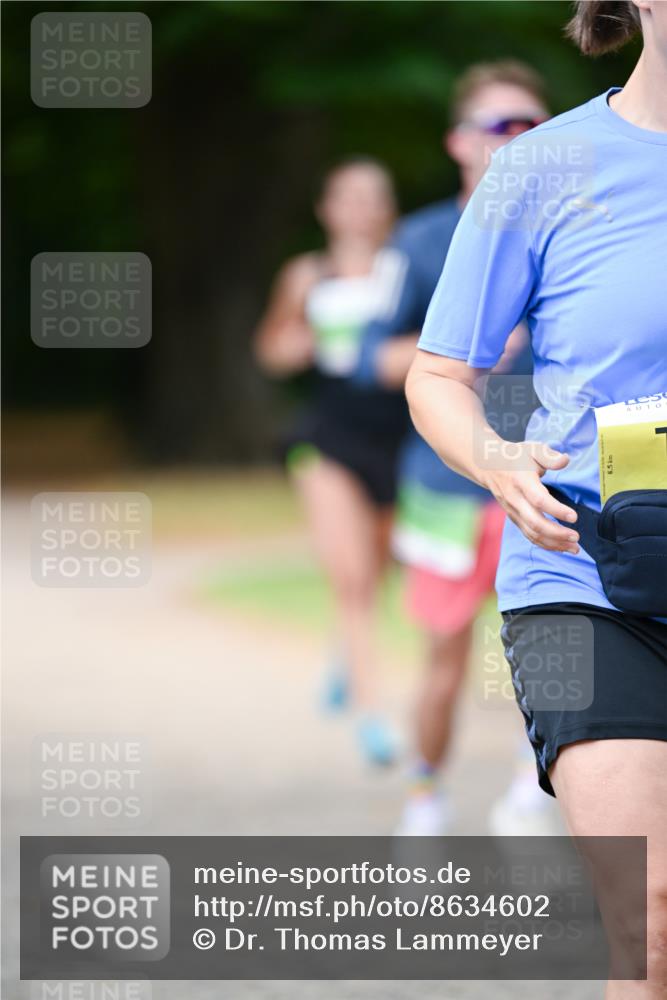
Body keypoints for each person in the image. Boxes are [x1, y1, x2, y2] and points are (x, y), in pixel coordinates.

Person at [406, 2, 666, 996]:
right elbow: (438, 375)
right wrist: (496, 459)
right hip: (584, 573)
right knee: (648, 919)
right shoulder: (543, 168)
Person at [356, 61, 555, 835]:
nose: (517, 140)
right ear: (459, 142)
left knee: (548, 654)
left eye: (531, 127)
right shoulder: (420, 238)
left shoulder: (573, 230)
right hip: (444, 486)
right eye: (500, 126)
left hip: (542, 482)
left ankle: (527, 792)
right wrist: (460, 349)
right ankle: (424, 801)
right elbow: (368, 357)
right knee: (443, 658)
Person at [254, 157, 410, 766]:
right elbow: (270, 348)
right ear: (326, 208)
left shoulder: (407, 272)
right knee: (353, 581)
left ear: (387, 210)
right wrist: (295, 346)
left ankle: (344, 656)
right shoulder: (305, 275)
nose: (360, 209)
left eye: (373, 197)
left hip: (398, 438)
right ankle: (374, 717)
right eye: (347, 196)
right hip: (327, 439)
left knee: (377, 568)